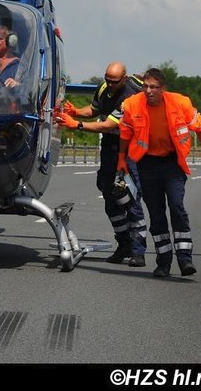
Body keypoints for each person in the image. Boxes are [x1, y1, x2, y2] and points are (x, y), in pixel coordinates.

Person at [118, 67, 201, 278]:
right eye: (145, 86)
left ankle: (185, 258)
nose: (148, 91)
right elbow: (125, 133)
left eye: (153, 87)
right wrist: (121, 160)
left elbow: (199, 128)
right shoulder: (133, 105)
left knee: (176, 206)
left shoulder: (180, 103)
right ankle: (163, 262)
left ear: (163, 88)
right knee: (156, 214)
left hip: (173, 164)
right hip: (147, 165)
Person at [54, 63, 147, 267]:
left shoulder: (130, 95)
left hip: (130, 149)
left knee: (128, 197)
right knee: (108, 195)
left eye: (115, 81)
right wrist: (76, 112)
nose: (110, 84)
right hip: (110, 146)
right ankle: (123, 243)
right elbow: (95, 110)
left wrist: (76, 124)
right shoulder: (104, 87)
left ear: (124, 79)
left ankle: (138, 249)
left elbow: (109, 124)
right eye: (107, 79)